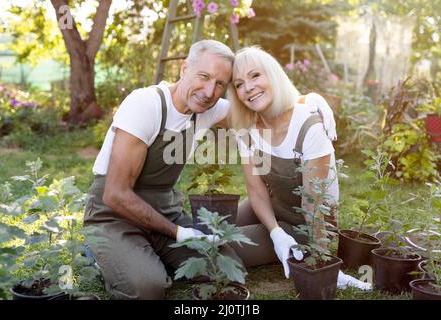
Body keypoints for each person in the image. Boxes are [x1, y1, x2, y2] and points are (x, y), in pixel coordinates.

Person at [83, 40, 245, 299]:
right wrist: (179, 233)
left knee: (227, 268)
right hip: (114, 215)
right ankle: (99, 252)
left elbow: (260, 108)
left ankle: (148, 252)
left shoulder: (209, 109)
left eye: (219, 84)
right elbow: (115, 194)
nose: (208, 91)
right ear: (184, 70)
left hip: (165, 212)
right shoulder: (145, 105)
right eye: (203, 77)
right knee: (148, 288)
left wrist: (309, 103)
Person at [226, 46, 371, 290]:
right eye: (239, 84)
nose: (248, 88)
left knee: (222, 247)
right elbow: (256, 190)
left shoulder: (309, 125)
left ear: (273, 75)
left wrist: (322, 263)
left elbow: (314, 202)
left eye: (255, 76)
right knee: (211, 228)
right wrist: (274, 233)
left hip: (306, 223)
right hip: (272, 206)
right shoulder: (247, 130)